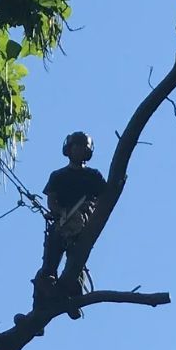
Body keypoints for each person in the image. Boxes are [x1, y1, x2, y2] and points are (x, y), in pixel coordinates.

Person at [34, 131, 106, 315]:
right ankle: (40, 306)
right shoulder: (59, 176)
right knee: (48, 267)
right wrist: (59, 213)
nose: (79, 151)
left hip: (84, 223)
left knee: (76, 264)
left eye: (83, 148)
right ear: (69, 149)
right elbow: (52, 200)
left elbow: (105, 199)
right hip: (61, 223)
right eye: (76, 147)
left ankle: (73, 300)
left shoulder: (93, 176)